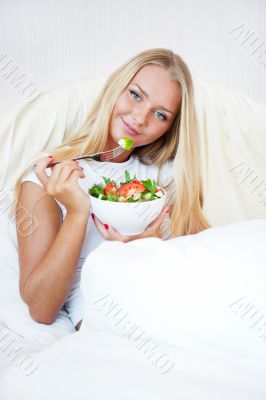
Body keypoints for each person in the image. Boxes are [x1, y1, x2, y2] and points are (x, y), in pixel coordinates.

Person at [11, 48, 211, 331]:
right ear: (115, 88)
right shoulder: (48, 178)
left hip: (177, 303)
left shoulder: (166, 177)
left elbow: (205, 260)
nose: (140, 119)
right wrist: (78, 213)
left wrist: (150, 247)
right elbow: (41, 309)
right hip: (118, 321)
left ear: (170, 127)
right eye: (135, 95)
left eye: (160, 114)